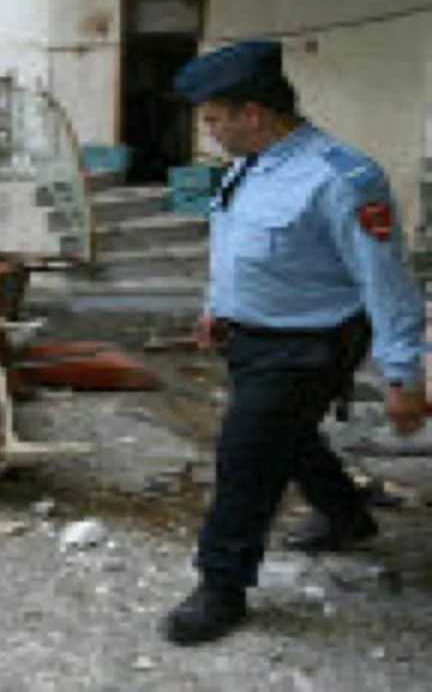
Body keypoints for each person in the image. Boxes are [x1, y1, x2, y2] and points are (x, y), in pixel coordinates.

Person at [161, 39, 427, 646]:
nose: (209, 133)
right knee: (290, 434)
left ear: (253, 114)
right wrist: (217, 309)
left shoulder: (342, 178)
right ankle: (347, 515)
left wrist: (403, 376)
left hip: (308, 346)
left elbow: (386, 282)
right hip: (250, 339)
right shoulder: (247, 167)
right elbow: (233, 246)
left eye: (214, 120)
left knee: (246, 458)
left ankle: (221, 585)